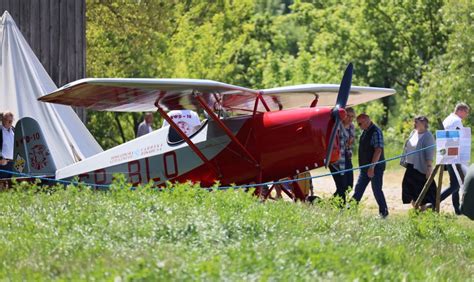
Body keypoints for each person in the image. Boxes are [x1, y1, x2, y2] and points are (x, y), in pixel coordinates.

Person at [351, 113, 389, 218]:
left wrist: (372, 167)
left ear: (366, 121)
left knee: (376, 189)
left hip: (375, 167)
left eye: (360, 123)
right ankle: (350, 210)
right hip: (365, 168)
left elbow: (378, 150)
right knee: (359, 188)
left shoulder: (376, 132)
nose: (359, 126)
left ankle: (384, 213)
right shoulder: (365, 131)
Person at [440, 102, 470, 215]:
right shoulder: (456, 121)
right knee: (457, 184)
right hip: (454, 155)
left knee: (454, 182)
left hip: (447, 154)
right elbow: (460, 138)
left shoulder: (447, 119)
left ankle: (457, 210)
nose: (466, 115)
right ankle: (435, 201)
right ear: (461, 110)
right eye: (466, 112)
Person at [400, 116, 436, 209]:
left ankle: (423, 209)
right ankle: (416, 207)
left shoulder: (428, 136)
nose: (415, 124)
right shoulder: (413, 133)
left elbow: (430, 153)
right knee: (407, 188)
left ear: (424, 124)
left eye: (417, 122)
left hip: (420, 167)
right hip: (410, 166)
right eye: (415, 122)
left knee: (422, 190)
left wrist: (429, 168)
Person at [0, 111, 15, 179]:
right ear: (2, 119)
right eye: (7, 120)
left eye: (11, 121)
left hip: (14, 163)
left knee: (13, 185)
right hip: (2, 163)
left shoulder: (14, 130)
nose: (10, 122)